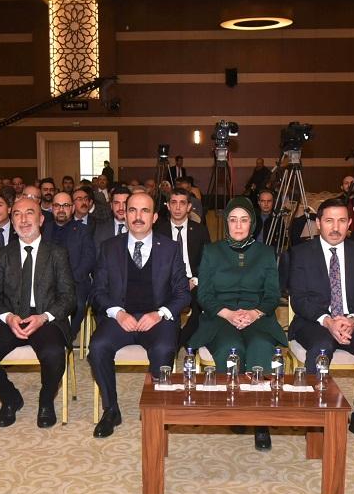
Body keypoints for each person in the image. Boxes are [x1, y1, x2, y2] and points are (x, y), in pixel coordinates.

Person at [186, 197, 287, 450]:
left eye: (244, 220)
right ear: (226, 223)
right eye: (233, 220)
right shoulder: (211, 251)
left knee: (260, 347)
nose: (238, 226)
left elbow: (272, 295)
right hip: (220, 317)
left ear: (252, 223)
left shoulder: (266, 253)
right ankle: (235, 407)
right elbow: (204, 295)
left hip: (258, 317)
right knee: (231, 349)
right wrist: (229, 314)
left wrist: (254, 313)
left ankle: (261, 420)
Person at [87, 191, 189, 438]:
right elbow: (97, 292)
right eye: (132, 210)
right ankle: (111, 410)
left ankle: (156, 409)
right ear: (125, 215)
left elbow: (182, 294)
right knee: (97, 347)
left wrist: (159, 314)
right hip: (120, 317)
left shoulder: (171, 248)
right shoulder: (109, 247)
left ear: (154, 217)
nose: (138, 216)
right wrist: (118, 313)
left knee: (163, 349)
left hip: (157, 318)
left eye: (145, 211)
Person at [287, 198, 354, 446]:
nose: (335, 227)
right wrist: (328, 321)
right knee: (321, 349)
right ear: (318, 223)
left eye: (342, 221)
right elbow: (298, 299)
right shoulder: (301, 253)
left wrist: (353, 319)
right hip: (314, 320)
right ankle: (316, 414)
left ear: (349, 223)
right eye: (329, 221)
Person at [0, 196, 76, 428]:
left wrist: (44, 317)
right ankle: (11, 398)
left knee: (53, 353)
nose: (23, 219)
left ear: (41, 219)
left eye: (30, 213)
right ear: (12, 221)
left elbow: (69, 297)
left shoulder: (57, 253)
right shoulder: (3, 255)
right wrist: (8, 317)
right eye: (17, 214)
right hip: (10, 319)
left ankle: (46, 400)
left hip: (46, 319)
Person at [154, 187, 209, 348]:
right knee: (162, 306)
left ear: (189, 207)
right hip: (167, 283)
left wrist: (195, 280)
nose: (178, 207)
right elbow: (155, 264)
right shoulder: (158, 231)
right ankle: (173, 341)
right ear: (168, 206)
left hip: (194, 281)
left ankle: (179, 342)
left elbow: (208, 261)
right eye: (174, 203)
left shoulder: (200, 230)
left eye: (182, 203)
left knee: (204, 306)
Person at [45, 191, 95, 335]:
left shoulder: (83, 230)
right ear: (52, 208)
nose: (61, 209)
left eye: (65, 205)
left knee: (77, 305)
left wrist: (68, 280)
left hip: (75, 282)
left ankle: (67, 337)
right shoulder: (44, 229)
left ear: (72, 208)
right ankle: (48, 334)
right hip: (46, 282)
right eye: (57, 205)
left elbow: (89, 259)